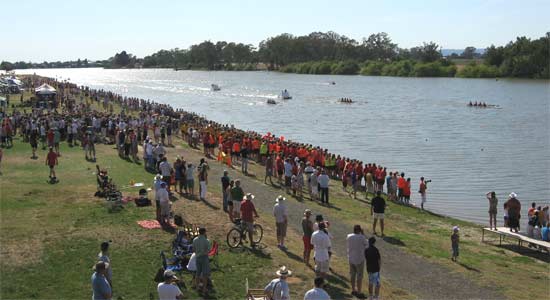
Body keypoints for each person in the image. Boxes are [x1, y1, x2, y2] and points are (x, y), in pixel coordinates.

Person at [347, 225, 368, 297]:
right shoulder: (362, 237)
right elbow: (367, 245)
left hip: (351, 258)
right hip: (359, 259)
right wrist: (363, 234)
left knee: (352, 275)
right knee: (359, 276)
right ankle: (359, 291)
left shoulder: (349, 236)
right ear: (359, 230)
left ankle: (353, 290)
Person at [192, 227, 212, 295]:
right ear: (204, 232)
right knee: (205, 274)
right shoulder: (207, 241)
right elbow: (209, 250)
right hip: (204, 258)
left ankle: (197, 287)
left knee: (198, 273)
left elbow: (193, 249)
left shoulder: (195, 240)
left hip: (197, 257)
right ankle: (204, 289)